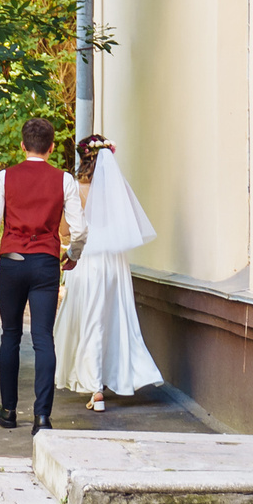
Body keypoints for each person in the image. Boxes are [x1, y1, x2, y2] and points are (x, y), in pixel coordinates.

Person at [0, 117, 86, 431]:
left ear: (23, 145)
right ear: (51, 148)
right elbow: (79, 230)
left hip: (12, 262)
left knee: (10, 335)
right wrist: (73, 255)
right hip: (46, 264)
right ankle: (42, 417)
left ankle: (8, 411)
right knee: (43, 338)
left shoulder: (5, 177)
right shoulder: (64, 180)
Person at [54, 137, 163, 411]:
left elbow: (65, 231)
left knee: (90, 319)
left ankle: (95, 386)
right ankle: (121, 375)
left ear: (82, 157)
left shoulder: (74, 188)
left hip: (86, 260)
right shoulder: (118, 188)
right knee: (115, 318)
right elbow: (128, 226)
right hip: (114, 263)